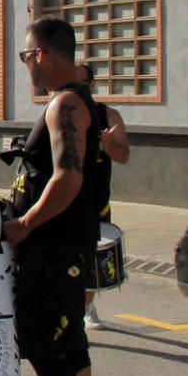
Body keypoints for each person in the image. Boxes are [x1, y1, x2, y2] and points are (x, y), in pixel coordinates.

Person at [6, 16, 99, 376]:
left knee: (48, 347)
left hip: (51, 249)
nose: (26, 65)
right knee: (72, 346)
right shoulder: (82, 101)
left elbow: (67, 178)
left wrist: (24, 224)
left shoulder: (64, 103)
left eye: (26, 56)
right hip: (65, 248)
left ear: (40, 54)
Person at [74, 62, 130, 330]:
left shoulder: (109, 116)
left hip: (96, 203)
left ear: (92, 85)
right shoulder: (62, 113)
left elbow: (124, 157)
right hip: (65, 203)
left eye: (81, 84)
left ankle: (87, 305)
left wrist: (109, 146)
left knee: (92, 258)